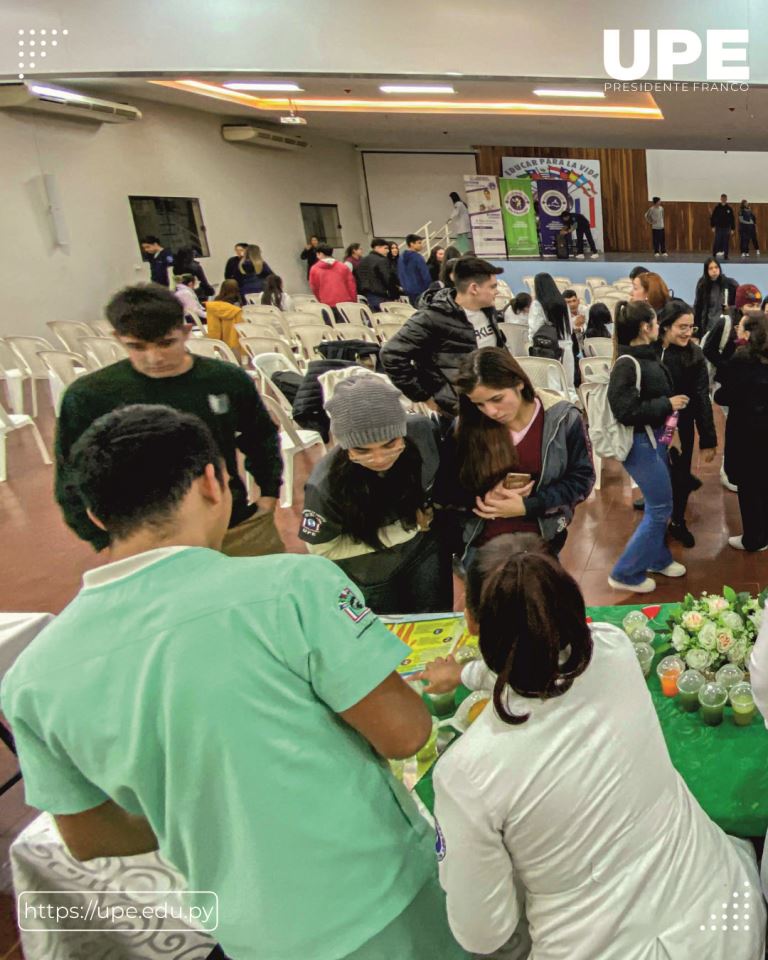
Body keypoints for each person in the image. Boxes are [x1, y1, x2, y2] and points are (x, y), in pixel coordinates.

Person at [4, 403, 471, 960]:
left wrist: (200, 806)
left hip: (248, 928)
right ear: (212, 481)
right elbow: (404, 733)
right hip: (377, 897)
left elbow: (86, 836)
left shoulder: (33, 674)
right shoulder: (293, 587)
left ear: (96, 515)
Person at [423, 533, 764, 960]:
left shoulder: (466, 773)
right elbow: (544, 667)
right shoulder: (614, 647)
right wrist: (469, 676)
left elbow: (483, 933)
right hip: (726, 915)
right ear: (569, 604)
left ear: (470, 621)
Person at [55, 284, 284, 558]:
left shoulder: (225, 379)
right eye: (137, 347)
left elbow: (261, 437)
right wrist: (100, 539)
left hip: (232, 525)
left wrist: (268, 495)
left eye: (166, 343)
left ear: (185, 332)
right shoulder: (90, 395)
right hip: (143, 541)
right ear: (118, 338)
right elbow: (71, 473)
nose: (155, 357)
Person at [300, 377, 451, 614]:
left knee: (438, 620)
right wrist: (401, 531)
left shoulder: (423, 433)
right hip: (373, 570)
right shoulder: (325, 485)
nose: (380, 459)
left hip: (425, 551)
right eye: (363, 450)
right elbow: (322, 549)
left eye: (390, 444)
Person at [434, 348, 593, 565]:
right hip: (481, 544)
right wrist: (482, 498)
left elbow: (581, 480)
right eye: (479, 404)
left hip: (541, 541)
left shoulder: (563, 420)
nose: (491, 411)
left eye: (497, 398)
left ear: (518, 382)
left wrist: (530, 505)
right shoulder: (465, 426)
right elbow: (445, 489)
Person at [607, 300, 689, 593]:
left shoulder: (647, 356)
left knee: (660, 505)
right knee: (660, 507)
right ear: (645, 327)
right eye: (655, 322)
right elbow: (625, 411)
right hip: (640, 443)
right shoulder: (627, 364)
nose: (659, 327)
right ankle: (625, 572)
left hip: (655, 440)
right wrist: (667, 403)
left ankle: (656, 557)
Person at [381, 257, 506, 416]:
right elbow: (391, 355)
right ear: (474, 288)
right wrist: (424, 396)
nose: (497, 291)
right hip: (460, 408)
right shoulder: (431, 318)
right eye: (493, 286)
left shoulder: (487, 310)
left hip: (492, 397)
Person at [656, 299, 717, 548]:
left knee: (680, 476)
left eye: (691, 327)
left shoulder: (695, 354)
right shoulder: (653, 352)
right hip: (654, 425)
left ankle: (678, 521)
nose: (687, 332)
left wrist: (708, 438)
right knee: (657, 476)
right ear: (666, 326)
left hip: (681, 427)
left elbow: (703, 396)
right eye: (682, 327)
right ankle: (656, 522)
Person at [715, 312, 768, 551]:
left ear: (748, 333)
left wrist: (717, 394)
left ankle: (754, 538)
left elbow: (726, 394)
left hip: (747, 431)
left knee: (748, 486)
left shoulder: (742, 359)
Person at [528, 273, 576, 387]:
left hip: (548, 350)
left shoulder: (537, 304)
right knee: (568, 385)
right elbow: (570, 327)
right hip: (567, 347)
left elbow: (535, 329)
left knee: (553, 386)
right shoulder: (563, 303)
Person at [693, 257, 739, 340]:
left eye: (716, 267)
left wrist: (730, 308)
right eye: (711, 268)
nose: (714, 270)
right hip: (708, 327)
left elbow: (739, 305)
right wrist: (695, 328)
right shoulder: (702, 285)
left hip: (726, 327)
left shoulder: (731, 284)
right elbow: (698, 307)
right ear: (706, 271)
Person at [309, 244, 357, 311]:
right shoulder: (343, 267)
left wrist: (321, 300)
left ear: (320, 254)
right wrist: (354, 302)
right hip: (345, 303)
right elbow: (351, 286)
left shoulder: (314, 269)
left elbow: (314, 288)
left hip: (326, 304)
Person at [205, 279, 243, 357]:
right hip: (234, 346)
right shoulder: (237, 309)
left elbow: (213, 327)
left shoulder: (212, 306)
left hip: (218, 345)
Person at [357, 238, 396, 311]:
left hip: (368, 295)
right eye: (386, 248)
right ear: (377, 247)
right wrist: (395, 294)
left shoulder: (363, 261)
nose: (388, 251)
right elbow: (387, 278)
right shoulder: (382, 260)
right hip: (382, 296)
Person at [398, 234, 432, 306]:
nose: (421, 245)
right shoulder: (418, 257)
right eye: (419, 243)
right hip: (420, 291)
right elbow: (425, 275)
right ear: (411, 244)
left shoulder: (401, 258)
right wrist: (428, 289)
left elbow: (400, 274)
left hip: (408, 291)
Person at [711, 193, 736, 259]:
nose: (723, 200)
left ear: (726, 199)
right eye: (722, 198)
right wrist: (713, 226)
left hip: (727, 228)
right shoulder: (717, 208)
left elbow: (732, 219)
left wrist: (733, 228)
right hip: (718, 227)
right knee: (717, 241)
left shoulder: (729, 208)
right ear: (721, 199)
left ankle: (726, 255)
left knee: (726, 242)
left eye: (725, 198)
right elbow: (713, 217)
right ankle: (714, 254)